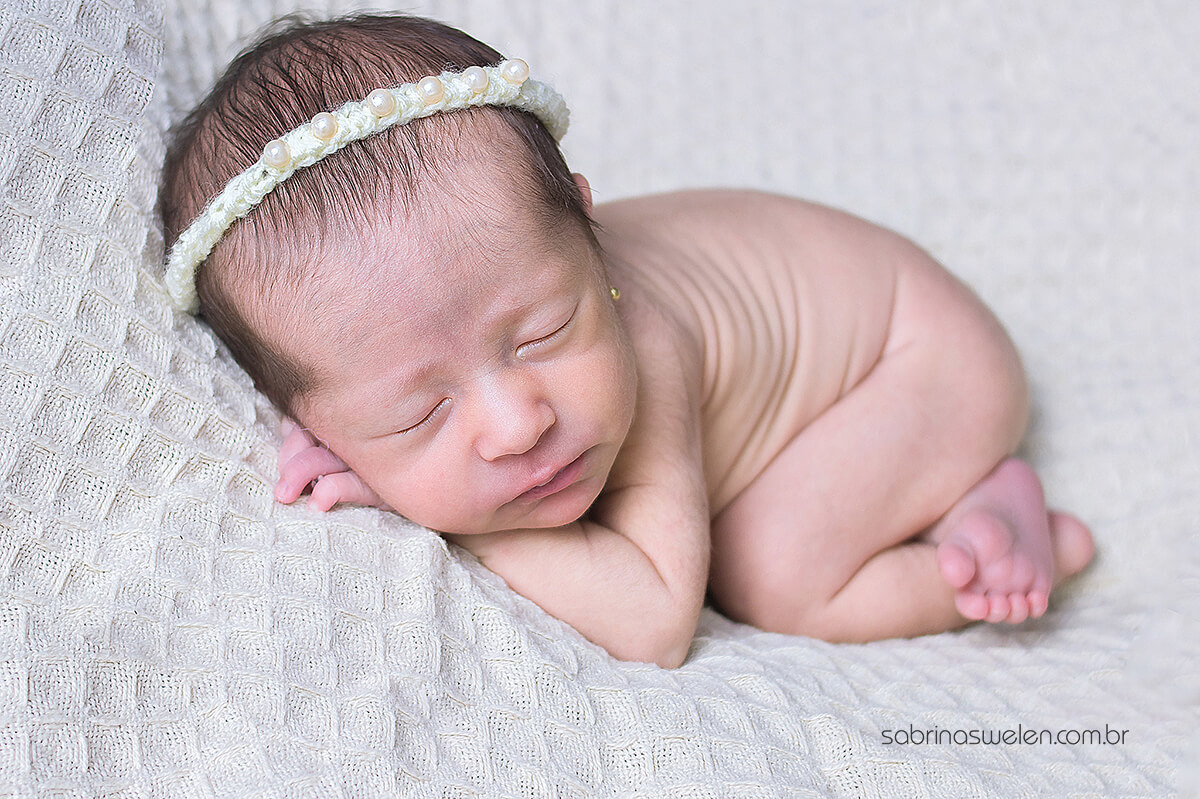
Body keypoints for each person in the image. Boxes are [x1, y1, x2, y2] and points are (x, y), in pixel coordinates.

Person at [160, 12, 1094, 669]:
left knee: (772, 570)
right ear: (313, 420)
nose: (518, 424)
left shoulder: (646, 338)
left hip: (917, 359)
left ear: (587, 226)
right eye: (419, 413)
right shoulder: (449, 332)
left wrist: (427, 508)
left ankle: (1007, 538)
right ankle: (958, 495)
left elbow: (654, 620)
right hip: (858, 373)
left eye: (544, 332)